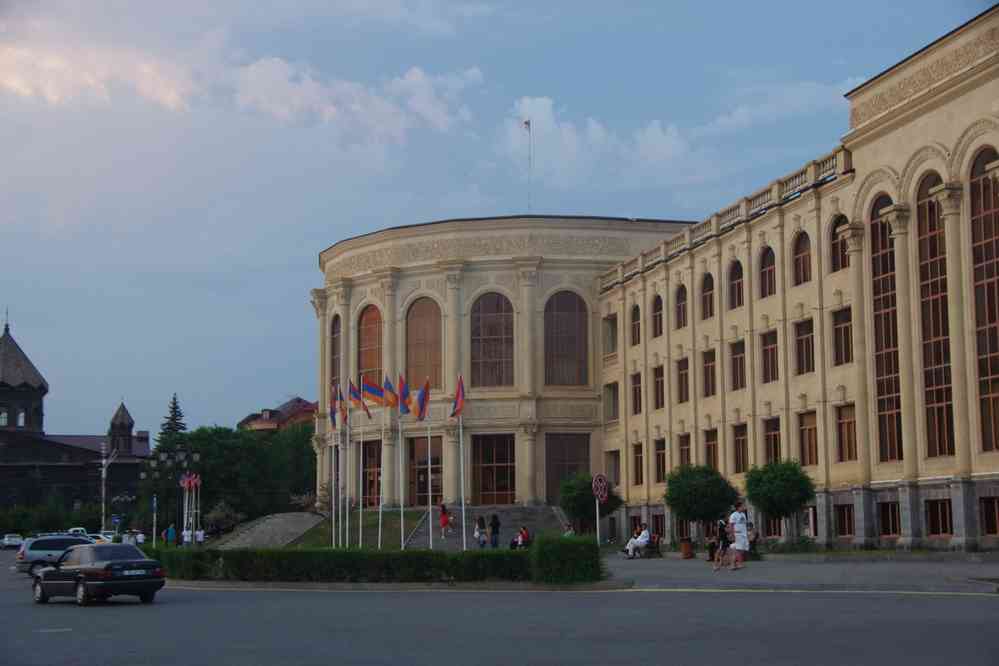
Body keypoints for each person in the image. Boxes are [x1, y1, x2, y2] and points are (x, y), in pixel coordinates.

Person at [728, 501, 749, 570]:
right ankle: (736, 564)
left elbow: (744, 525)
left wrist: (747, 533)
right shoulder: (733, 515)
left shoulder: (743, 514)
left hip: (744, 535)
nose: (744, 507)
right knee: (738, 550)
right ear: (738, 507)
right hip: (737, 534)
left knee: (742, 550)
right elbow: (731, 525)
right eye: (742, 506)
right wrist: (732, 535)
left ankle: (736, 564)